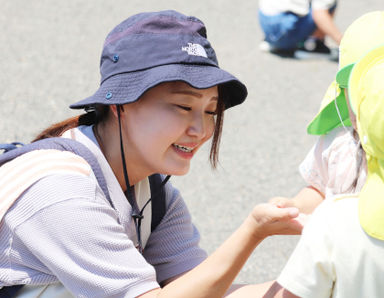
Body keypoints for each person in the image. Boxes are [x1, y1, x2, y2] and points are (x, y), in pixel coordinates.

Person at [0, 10, 302, 297]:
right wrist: (253, 232)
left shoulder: (155, 196)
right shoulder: (62, 191)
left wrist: (314, 282)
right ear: (120, 105)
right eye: (184, 106)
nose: (200, 129)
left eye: (211, 110)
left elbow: (200, 289)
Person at [260, 43, 384, 298]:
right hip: (339, 257)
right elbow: (318, 186)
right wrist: (294, 204)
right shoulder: (335, 143)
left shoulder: (334, 218)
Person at [270, 11, 384, 216]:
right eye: (360, 89)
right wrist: (295, 205)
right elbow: (319, 191)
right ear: (344, 93)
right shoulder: (336, 144)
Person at [258, 0, 342, 58]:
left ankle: (273, 40)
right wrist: (345, 44)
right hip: (286, 30)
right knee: (329, 5)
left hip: (265, 21)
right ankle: (313, 45)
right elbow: (319, 14)